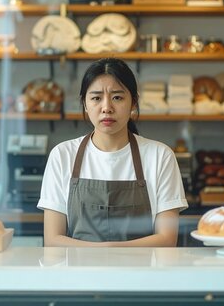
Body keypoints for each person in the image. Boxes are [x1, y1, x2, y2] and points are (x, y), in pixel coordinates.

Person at [37, 58, 188, 247]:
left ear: (133, 102)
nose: (106, 108)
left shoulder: (160, 156)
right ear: (85, 103)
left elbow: (166, 240)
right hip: (78, 275)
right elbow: (52, 240)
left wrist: (108, 251)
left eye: (117, 97)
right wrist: (104, 253)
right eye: (96, 98)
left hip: (142, 275)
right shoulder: (62, 155)